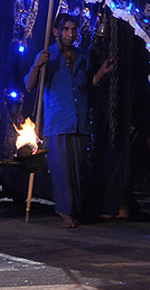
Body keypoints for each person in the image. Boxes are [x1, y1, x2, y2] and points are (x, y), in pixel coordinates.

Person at [24, 13, 114, 228]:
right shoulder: (47, 56)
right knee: (61, 169)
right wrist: (37, 65)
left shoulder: (83, 56)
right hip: (58, 121)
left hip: (80, 121)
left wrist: (102, 72)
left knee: (80, 169)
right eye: (66, 30)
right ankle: (64, 211)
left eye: (73, 30)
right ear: (56, 31)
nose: (70, 34)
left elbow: (88, 84)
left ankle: (77, 209)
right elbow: (29, 85)